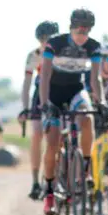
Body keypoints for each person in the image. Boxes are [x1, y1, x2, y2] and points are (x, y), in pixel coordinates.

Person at [39, 8, 105, 215]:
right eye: (79, 32)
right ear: (71, 28)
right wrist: (44, 102)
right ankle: (49, 192)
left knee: (87, 117)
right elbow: (46, 74)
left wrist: (100, 101)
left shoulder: (93, 47)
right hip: (55, 93)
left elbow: (95, 79)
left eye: (86, 32)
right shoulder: (55, 43)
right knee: (52, 144)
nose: (82, 36)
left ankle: (85, 167)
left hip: (76, 90)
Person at [20, 21, 60, 200]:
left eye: (49, 39)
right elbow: (27, 84)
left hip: (59, 92)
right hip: (40, 94)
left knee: (58, 137)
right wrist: (25, 108)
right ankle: (36, 181)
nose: (45, 43)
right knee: (36, 135)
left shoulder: (63, 52)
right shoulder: (34, 55)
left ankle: (59, 176)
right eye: (42, 40)